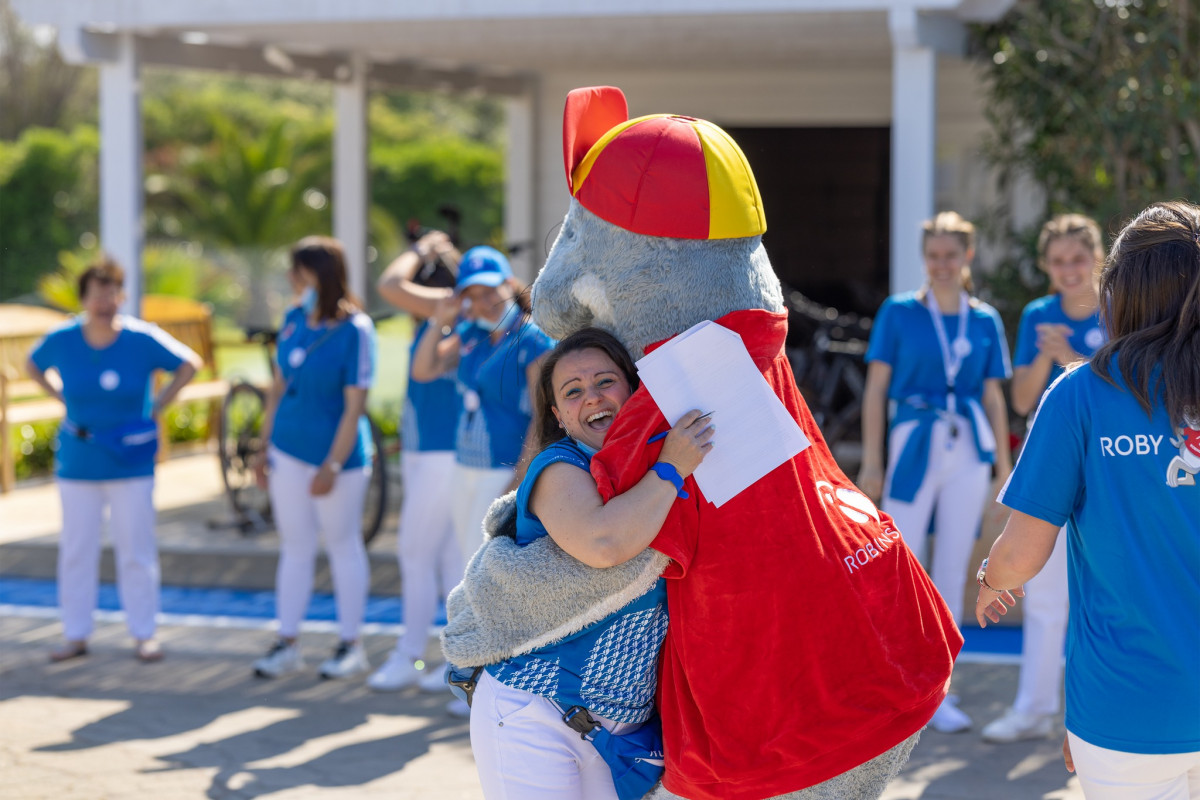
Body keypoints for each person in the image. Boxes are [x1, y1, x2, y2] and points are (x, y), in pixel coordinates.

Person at [977, 200, 1200, 798]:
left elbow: (1022, 553)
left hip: (1128, 711)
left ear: (1119, 290)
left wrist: (993, 579)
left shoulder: (1082, 393)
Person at [446, 327, 713, 800]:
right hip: (533, 712)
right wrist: (671, 470)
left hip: (620, 730)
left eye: (604, 381)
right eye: (573, 391)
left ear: (633, 388)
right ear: (559, 415)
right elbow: (604, 542)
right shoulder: (559, 466)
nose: (592, 397)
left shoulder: (660, 459)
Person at [859, 210, 1013, 733]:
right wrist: (874, 462)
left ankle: (939, 693)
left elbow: (993, 396)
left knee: (952, 567)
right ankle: (890, 685)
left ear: (967, 256)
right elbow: (877, 390)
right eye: (933, 255)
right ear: (923, 257)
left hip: (968, 444)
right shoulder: (899, 312)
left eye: (951, 255)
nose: (941, 264)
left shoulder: (984, 318)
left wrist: (1002, 467)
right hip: (914, 440)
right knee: (898, 561)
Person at [26, 256, 201, 663]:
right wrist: (58, 397)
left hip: (131, 461)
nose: (105, 303)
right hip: (79, 461)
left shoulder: (141, 338)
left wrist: (158, 406)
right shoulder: (64, 339)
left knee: (136, 548)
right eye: (96, 295)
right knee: (76, 548)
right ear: (83, 299)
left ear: (122, 296)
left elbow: (188, 364)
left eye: (112, 294)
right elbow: (33, 366)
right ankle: (76, 634)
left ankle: (144, 633)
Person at [981, 214, 1106, 744]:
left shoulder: (1119, 306)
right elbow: (1022, 399)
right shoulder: (1039, 314)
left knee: (1104, 594)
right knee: (1047, 592)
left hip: (1109, 458)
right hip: (1054, 460)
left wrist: (1072, 359)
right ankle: (1033, 709)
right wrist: (1047, 357)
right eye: (1058, 261)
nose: (1069, 270)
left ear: (1098, 258)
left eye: (1078, 258)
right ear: (1045, 267)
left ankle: (1096, 717)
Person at [250, 236, 378, 680]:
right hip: (288, 451)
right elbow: (278, 387)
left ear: (319, 276)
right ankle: (287, 643)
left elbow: (354, 406)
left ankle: (351, 645)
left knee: (343, 546)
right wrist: (262, 447)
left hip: (337, 461)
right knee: (296, 547)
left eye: (298, 271)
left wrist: (332, 466)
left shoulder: (357, 330)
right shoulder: (292, 319)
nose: (291, 279)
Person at [410, 245, 554, 571]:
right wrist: (439, 321)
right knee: (466, 564)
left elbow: (542, 416)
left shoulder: (532, 338)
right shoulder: (470, 333)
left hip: (502, 470)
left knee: (483, 566)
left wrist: (519, 479)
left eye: (490, 291)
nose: (483, 302)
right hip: (465, 466)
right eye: (472, 295)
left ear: (509, 284)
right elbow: (422, 370)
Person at [368, 230, 467, 691]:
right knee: (447, 560)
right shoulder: (459, 313)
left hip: (439, 455)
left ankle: (410, 655)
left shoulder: (447, 307)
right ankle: (451, 661)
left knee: (415, 553)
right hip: (432, 451)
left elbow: (389, 284)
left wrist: (420, 249)